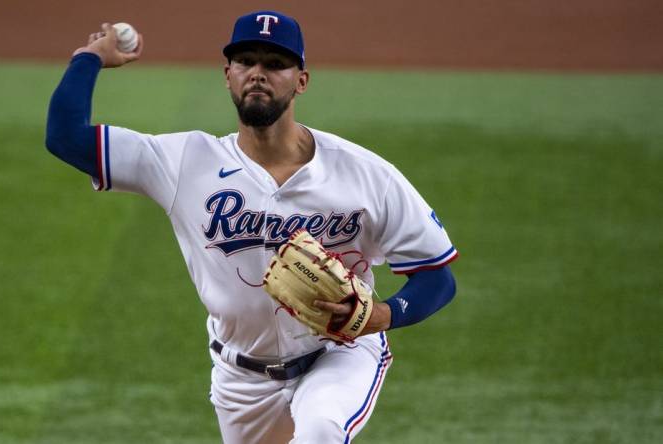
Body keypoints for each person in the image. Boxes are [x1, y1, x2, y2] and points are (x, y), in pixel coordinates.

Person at [45, 10, 458, 444]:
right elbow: (65, 137)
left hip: (338, 354)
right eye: (246, 62)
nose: (258, 73)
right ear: (228, 75)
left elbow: (436, 277)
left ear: (301, 80)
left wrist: (383, 314)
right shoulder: (185, 162)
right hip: (240, 381)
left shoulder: (366, 175)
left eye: (275, 64)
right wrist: (89, 57)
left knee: (321, 429)